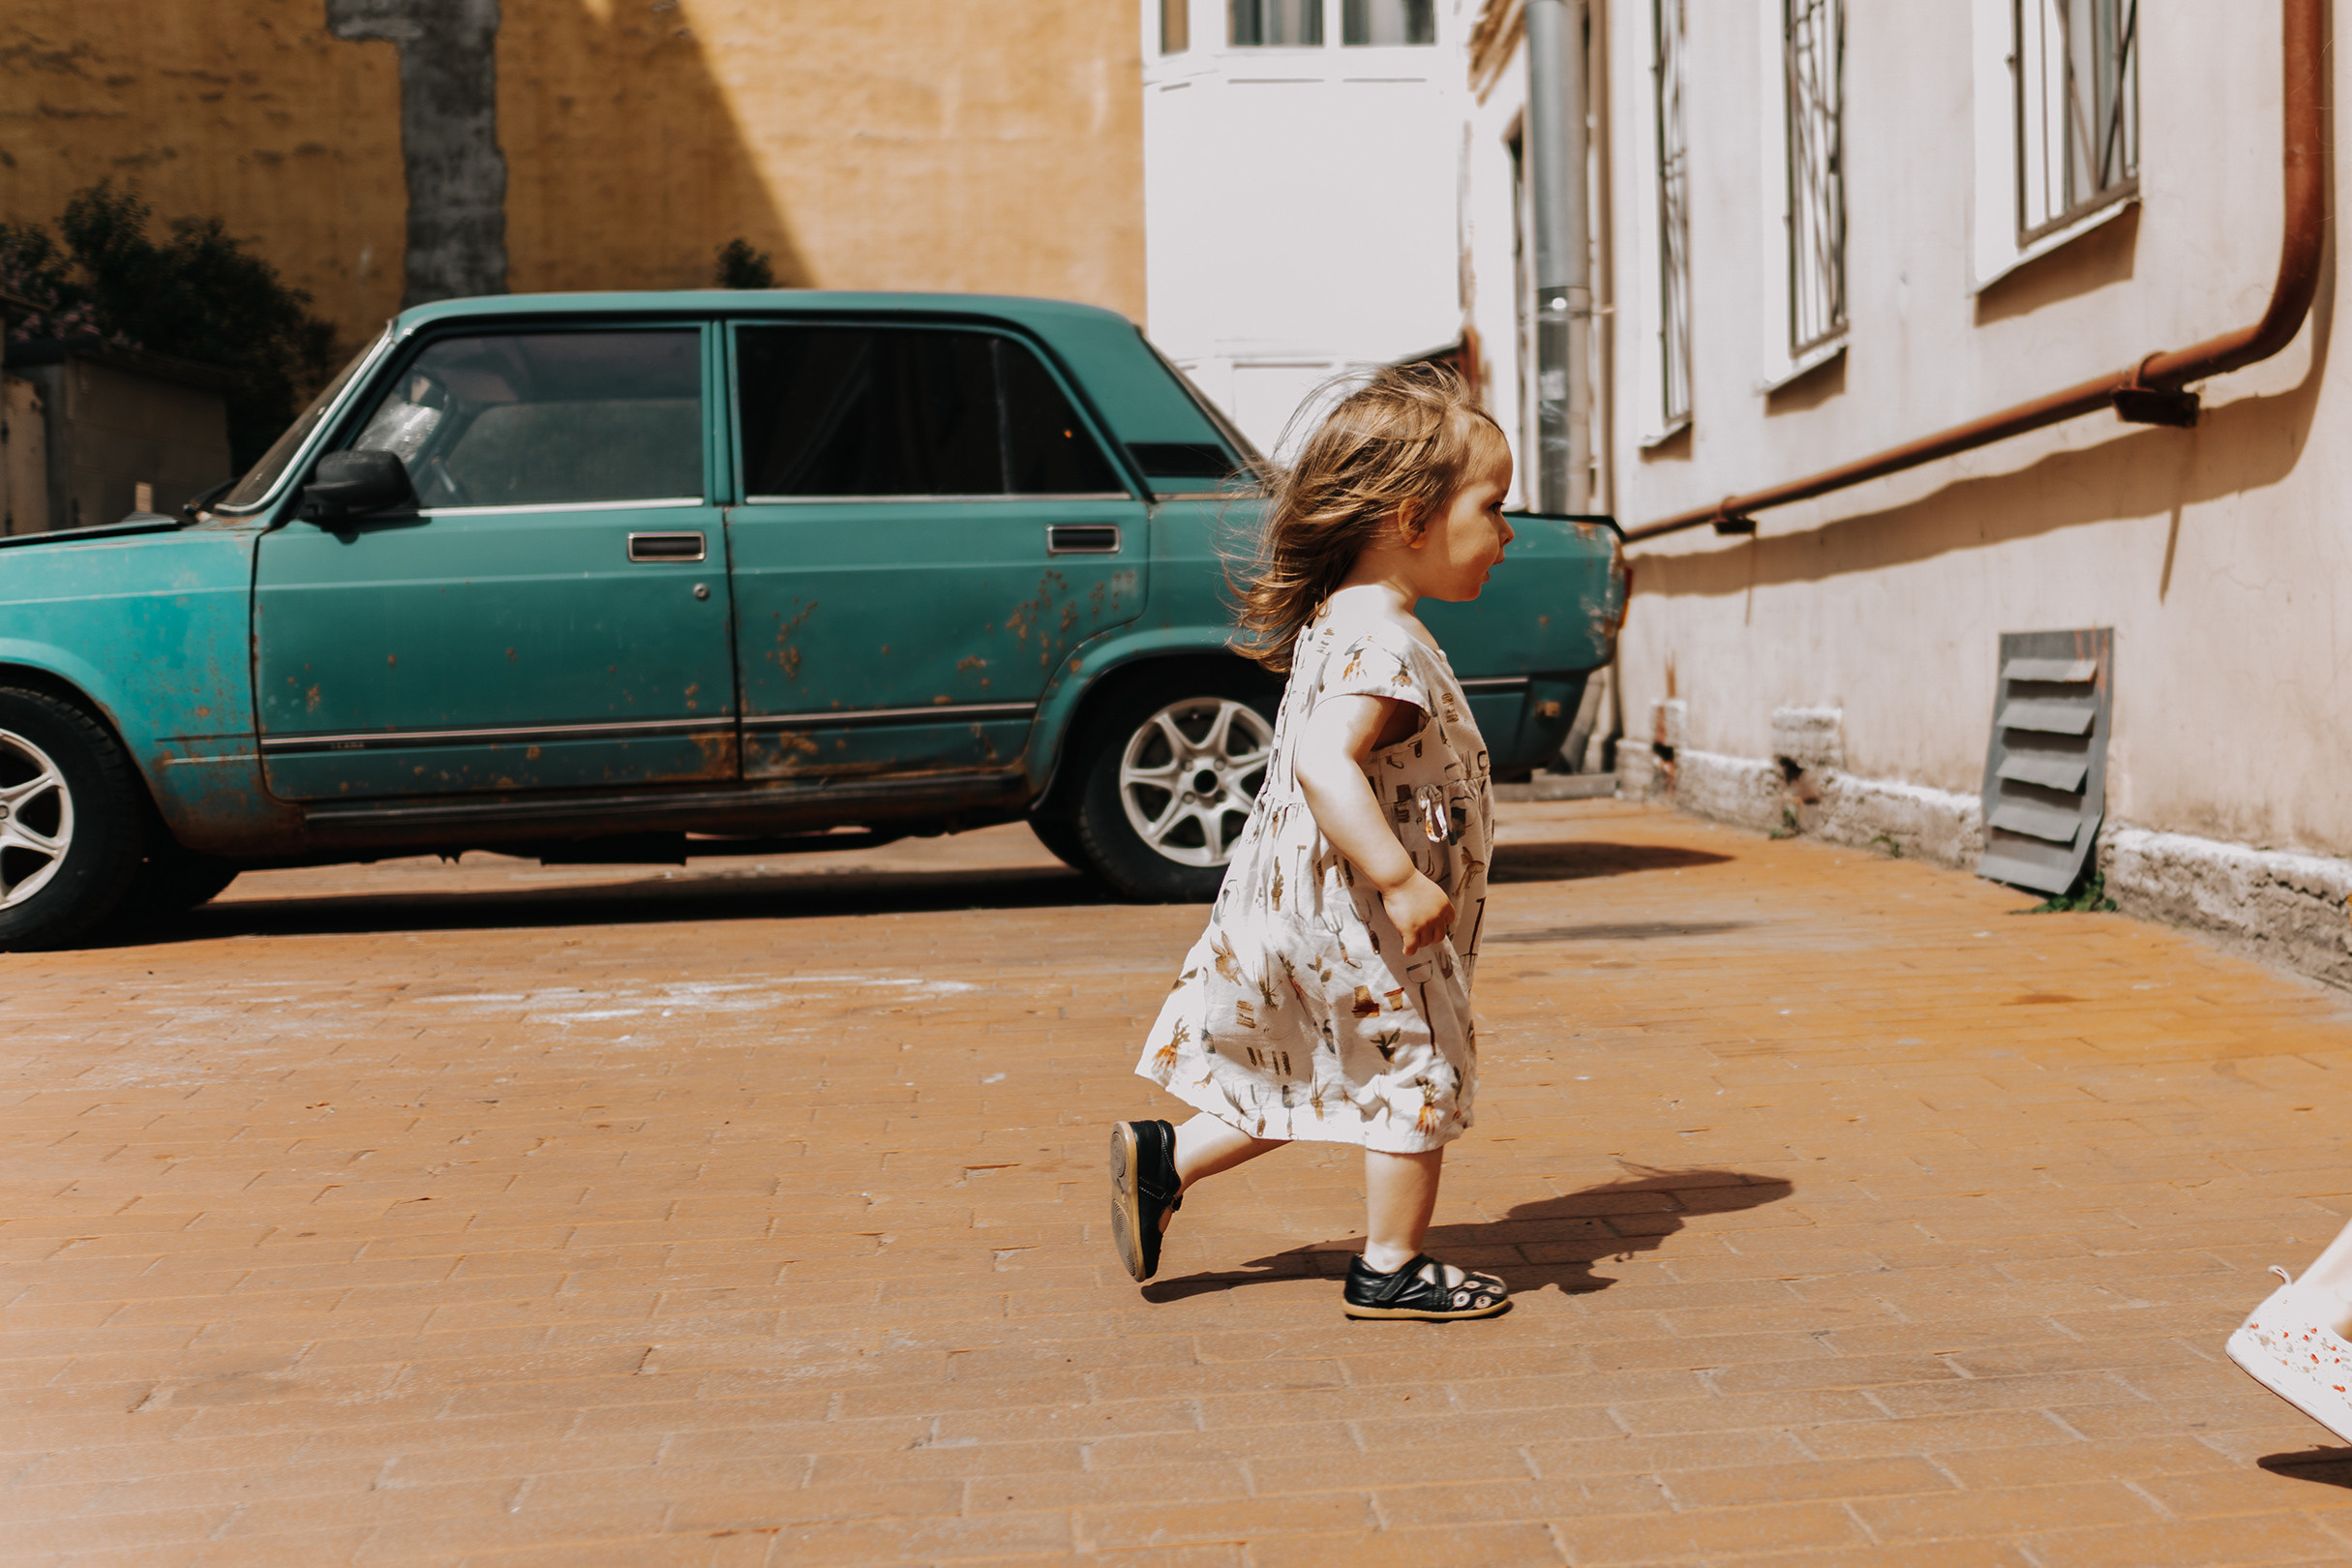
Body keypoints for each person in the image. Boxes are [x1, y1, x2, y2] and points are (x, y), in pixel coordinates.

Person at [1109, 364, 1515, 1321]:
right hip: (1363, 914)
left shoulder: (1348, 615)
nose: (1504, 534)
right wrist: (1401, 880)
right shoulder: (1385, 644)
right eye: (1492, 508)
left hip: (1304, 907)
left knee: (1320, 1066)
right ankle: (1390, 1267)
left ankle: (1168, 1159)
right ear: (1412, 520)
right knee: (1418, 1072)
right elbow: (1325, 764)